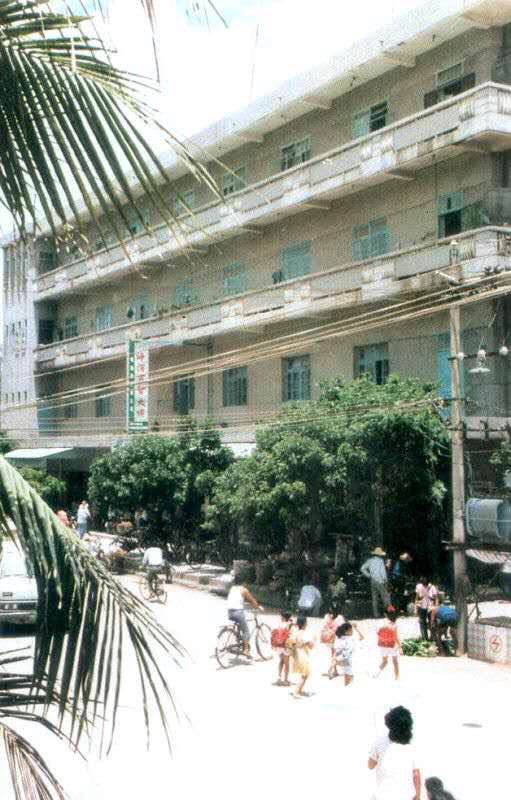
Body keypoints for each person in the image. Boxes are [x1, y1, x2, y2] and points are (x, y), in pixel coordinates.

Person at [368, 706, 421, 800]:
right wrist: (418, 797)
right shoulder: (412, 747)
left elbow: (370, 766)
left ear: (389, 724)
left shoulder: (379, 743)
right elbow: (416, 776)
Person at [226, 575, 264, 658]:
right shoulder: (244, 590)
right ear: (243, 582)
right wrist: (258, 607)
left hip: (230, 612)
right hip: (238, 613)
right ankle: (246, 650)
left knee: (241, 626)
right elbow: (252, 600)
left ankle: (239, 640)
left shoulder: (232, 588)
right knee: (246, 631)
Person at [287, 615, 314, 698]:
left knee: (304, 673)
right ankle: (296, 692)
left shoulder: (295, 632)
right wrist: (313, 640)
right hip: (303, 655)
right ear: (305, 623)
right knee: (305, 674)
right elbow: (311, 646)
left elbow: (290, 642)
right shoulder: (305, 633)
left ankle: (300, 690)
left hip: (296, 655)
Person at [330, 621, 364, 685]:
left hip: (343, 661)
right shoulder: (350, 639)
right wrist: (356, 628)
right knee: (348, 682)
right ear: (346, 632)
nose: (352, 631)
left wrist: (335, 661)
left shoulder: (340, 638)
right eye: (351, 630)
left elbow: (336, 651)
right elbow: (362, 637)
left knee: (350, 679)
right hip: (347, 662)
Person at [361, 547, 391, 618]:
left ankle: (376, 614)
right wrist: (386, 581)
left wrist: (369, 575)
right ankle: (388, 613)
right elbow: (382, 572)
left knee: (375, 598)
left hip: (373, 580)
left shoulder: (370, 560)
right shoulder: (380, 561)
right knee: (385, 597)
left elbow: (362, 569)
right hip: (380, 580)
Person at [374, 607, 401, 681]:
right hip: (392, 644)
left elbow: (377, 632)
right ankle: (396, 678)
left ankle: (375, 674)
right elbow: (396, 637)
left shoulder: (381, 622)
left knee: (384, 662)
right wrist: (400, 646)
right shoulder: (394, 624)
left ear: (385, 614)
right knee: (395, 662)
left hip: (382, 644)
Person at [271, 611, 294, 686]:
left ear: (283, 617)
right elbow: (291, 635)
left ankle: (279, 677)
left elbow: (273, 633)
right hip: (286, 646)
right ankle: (285, 680)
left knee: (281, 661)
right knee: (287, 664)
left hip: (278, 646)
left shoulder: (278, 624)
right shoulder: (289, 625)